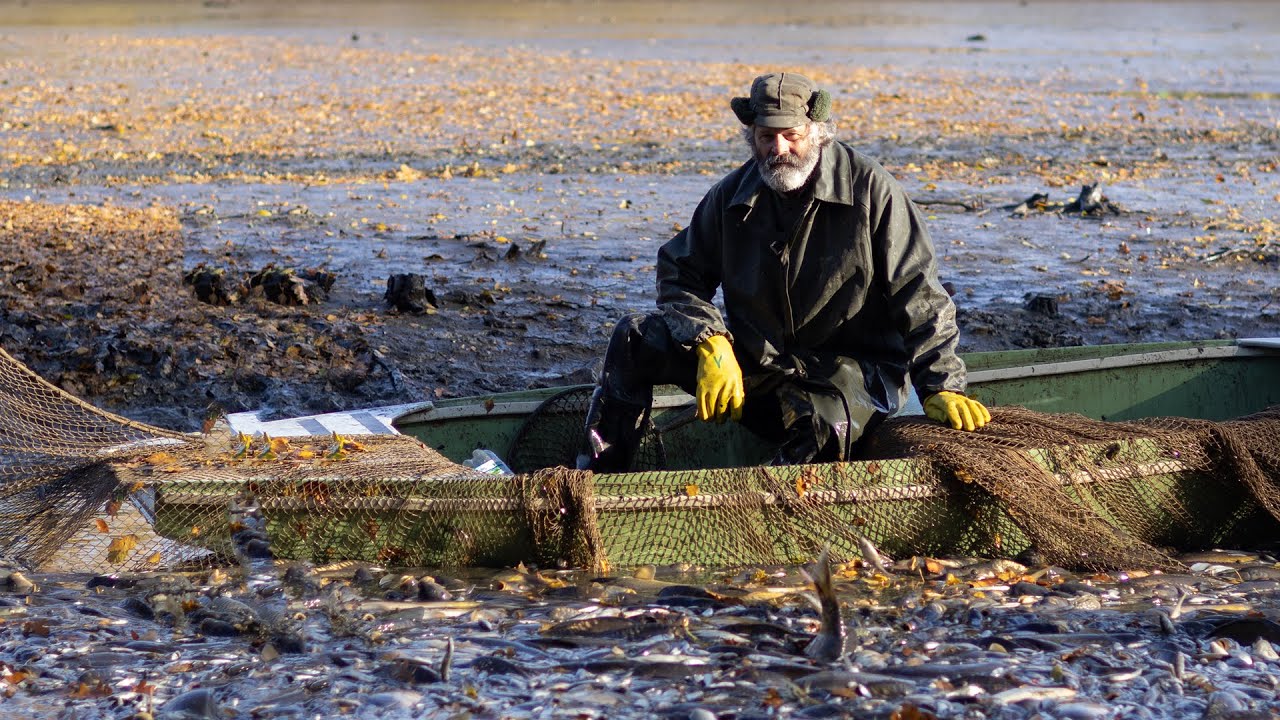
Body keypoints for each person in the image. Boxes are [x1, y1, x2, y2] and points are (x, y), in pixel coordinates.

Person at [581, 72, 989, 472]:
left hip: (854, 382)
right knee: (635, 337)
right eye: (766, 137)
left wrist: (942, 386)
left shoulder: (872, 190)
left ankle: (768, 506)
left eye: (791, 135)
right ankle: (600, 481)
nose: (779, 148)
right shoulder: (730, 197)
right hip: (762, 371)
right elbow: (677, 274)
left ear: (817, 132)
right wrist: (711, 343)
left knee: (823, 427)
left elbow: (921, 295)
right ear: (752, 137)